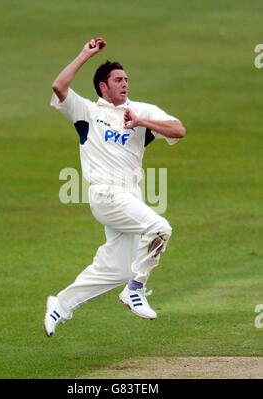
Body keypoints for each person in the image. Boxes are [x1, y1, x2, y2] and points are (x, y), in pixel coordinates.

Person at [44, 38, 186, 337]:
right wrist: (85, 53)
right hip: (105, 193)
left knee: (115, 268)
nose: (125, 84)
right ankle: (136, 289)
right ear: (102, 87)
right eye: (118, 80)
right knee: (159, 228)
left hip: (129, 197)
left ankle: (61, 304)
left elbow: (178, 130)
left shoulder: (140, 110)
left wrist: (141, 121)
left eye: (126, 80)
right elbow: (59, 87)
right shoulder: (86, 111)